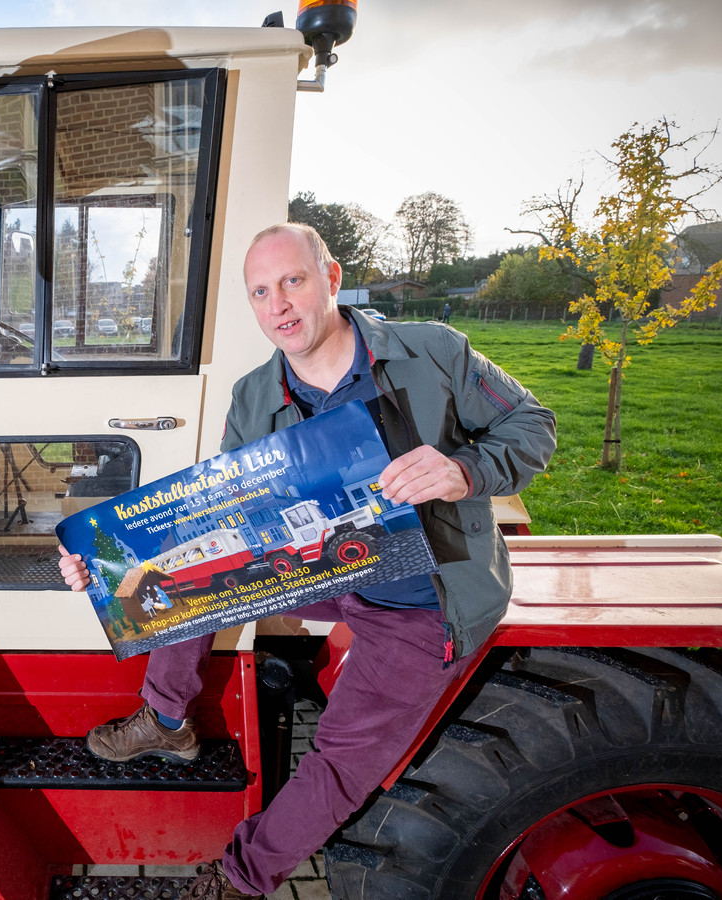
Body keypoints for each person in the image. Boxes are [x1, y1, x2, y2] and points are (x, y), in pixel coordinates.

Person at [58, 223, 555, 899]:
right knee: (180, 589)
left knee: (339, 762)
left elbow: (533, 425)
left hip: (420, 599)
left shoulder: (432, 352)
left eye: (293, 280)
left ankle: (242, 879)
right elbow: (214, 518)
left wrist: (462, 471)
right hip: (323, 570)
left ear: (332, 278)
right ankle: (168, 723)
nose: (279, 305)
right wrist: (108, 571)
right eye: (261, 292)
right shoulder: (255, 396)